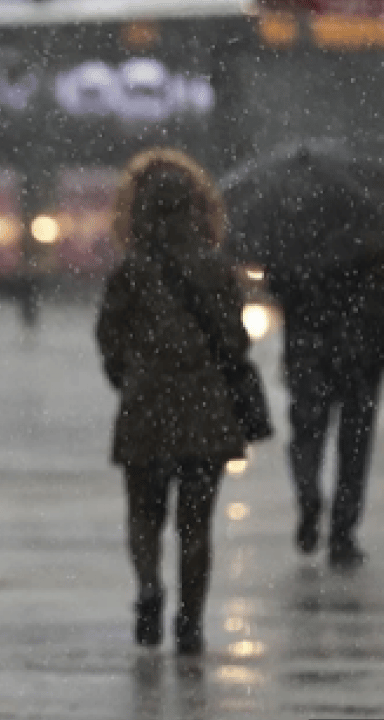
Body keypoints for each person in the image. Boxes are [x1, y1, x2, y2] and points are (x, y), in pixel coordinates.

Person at [96, 148, 251, 655]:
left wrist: (131, 376)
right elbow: (235, 339)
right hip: (205, 409)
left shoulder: (131, 271)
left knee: (144, 512)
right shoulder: (216, 270)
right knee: (196, 522)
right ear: (198, 207)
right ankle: (189, 622)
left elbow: (108, 338)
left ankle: (147, 587)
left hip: (146, 404)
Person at [266, 212, 384, 570]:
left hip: (309, 348)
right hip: (363, 350)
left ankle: (309, 494)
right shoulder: (379, 229)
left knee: (307, 434)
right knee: (354, 443)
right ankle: (343, 533)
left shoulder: (298, 229)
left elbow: (277, 284)